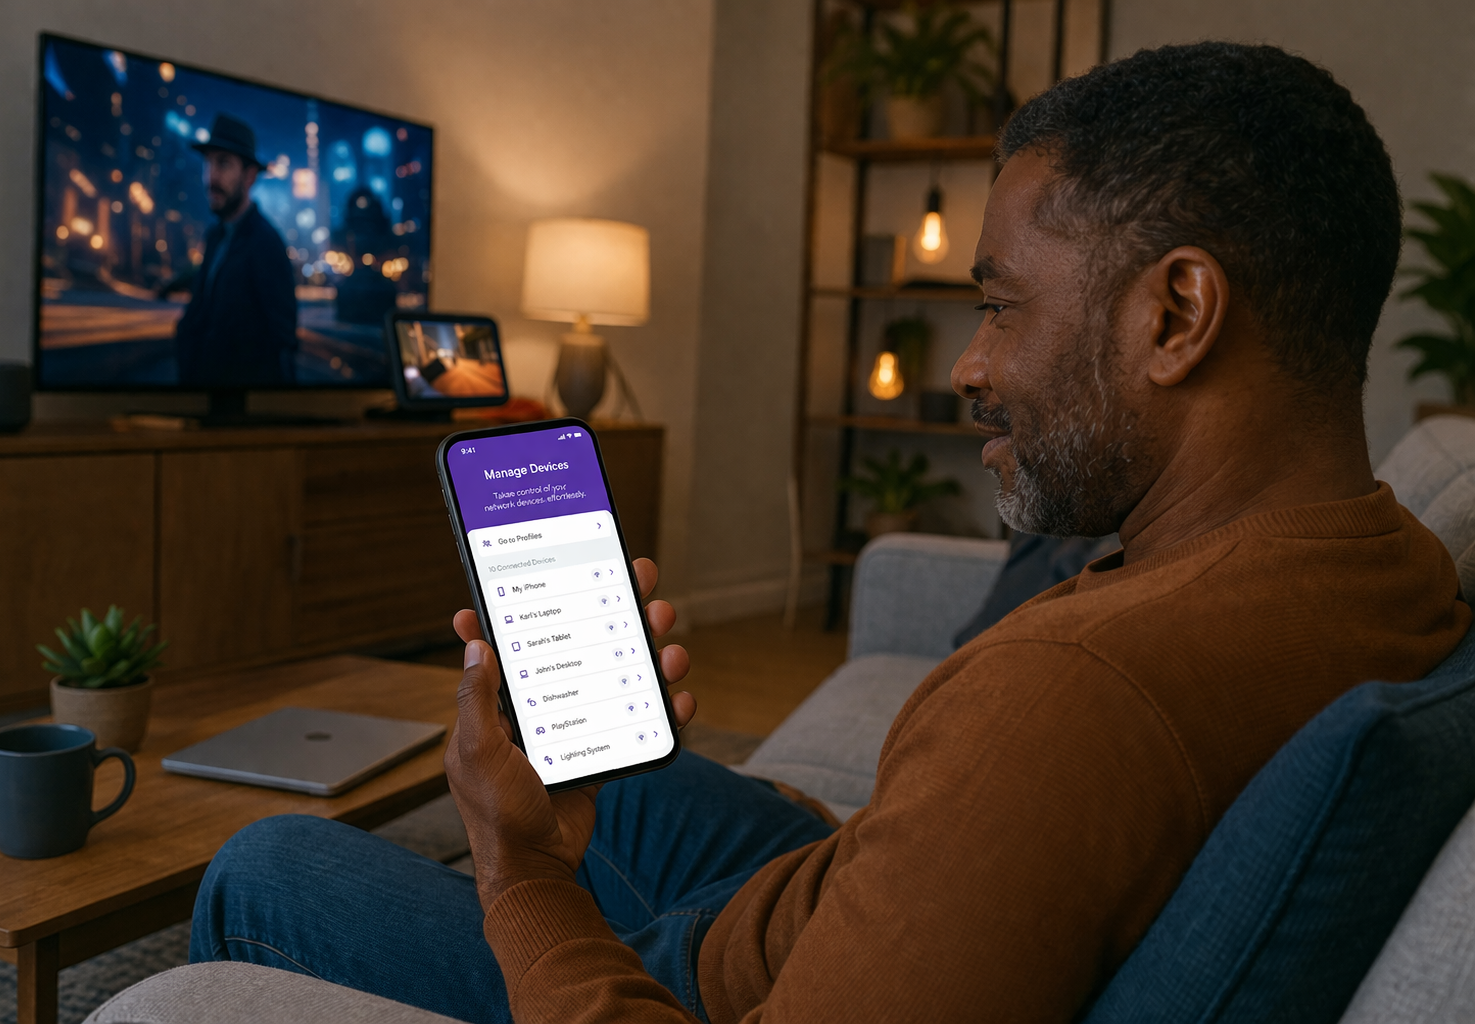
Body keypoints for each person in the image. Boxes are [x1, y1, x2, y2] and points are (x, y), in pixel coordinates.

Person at [190, 42, 1470, 1023]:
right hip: (858, 896)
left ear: (1175, 314)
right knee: (608, 760)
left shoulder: (1066, 701)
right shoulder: (1392, 566)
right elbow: (971, 848)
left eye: (1001, 305)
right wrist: (906, 825)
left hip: (713, 982)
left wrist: (521, 871)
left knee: (266, 865)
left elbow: (1026, 771)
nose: (967, 367)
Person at [173, 113, 297, 387]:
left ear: (249, 176)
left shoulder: (266, 244)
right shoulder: (216, 236)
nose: (211, 176)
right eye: (208, 163)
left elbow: (282, 341)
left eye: (224, 163)